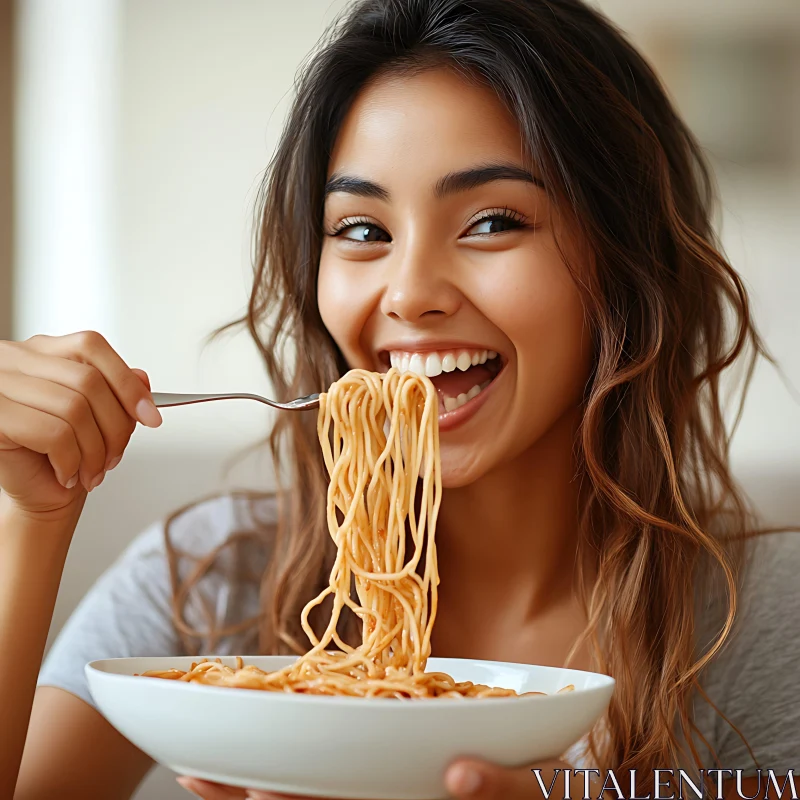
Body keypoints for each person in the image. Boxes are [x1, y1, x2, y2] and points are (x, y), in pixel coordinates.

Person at [2, 0, 798, 798]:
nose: (410, 293)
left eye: (492, 221)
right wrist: (36, 515)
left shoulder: (766, 614)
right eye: (361, 230)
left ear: (625, 262)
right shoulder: (211, 583)